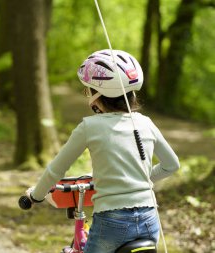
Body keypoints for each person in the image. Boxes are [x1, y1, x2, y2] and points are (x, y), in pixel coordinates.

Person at [25, 49, 180, 253]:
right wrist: (137, 180)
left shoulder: (89, 127)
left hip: (112, 222)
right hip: (150, 219)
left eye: (88, 90)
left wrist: (35, 196)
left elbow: (56, 170)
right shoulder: (145, 123)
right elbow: (171, 165)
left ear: (98, 95)